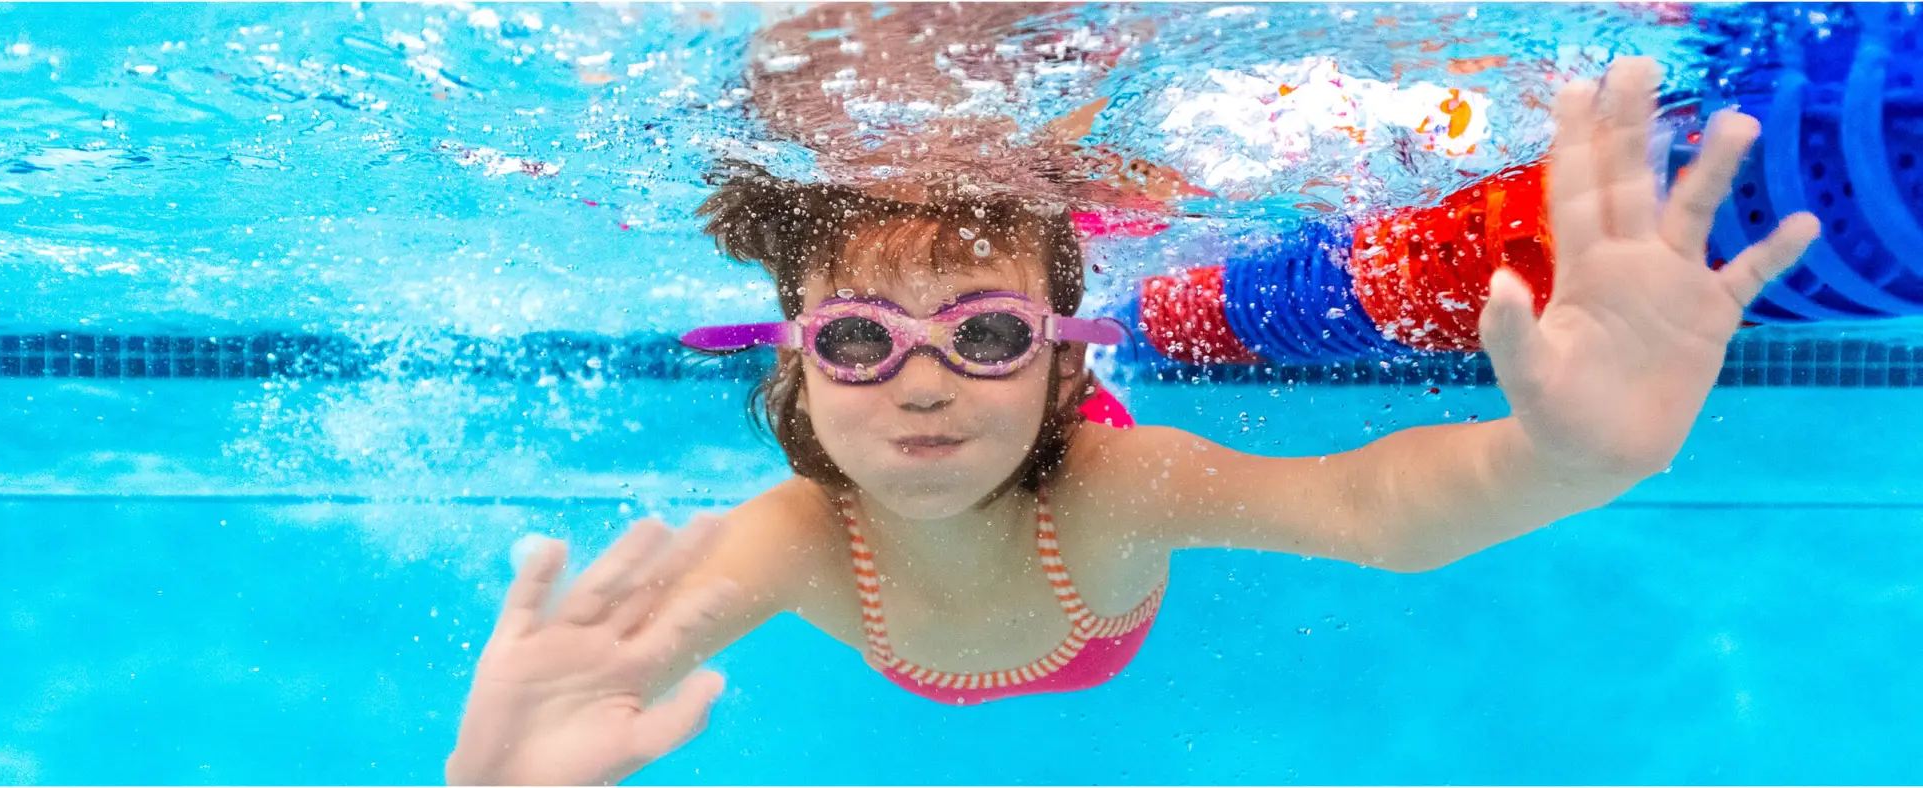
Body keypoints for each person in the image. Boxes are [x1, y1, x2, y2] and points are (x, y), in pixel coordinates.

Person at [444, 56, 1821, 785]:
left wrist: (1570, 455)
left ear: (1056, 364)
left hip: (1083, 576)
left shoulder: (1112, 483)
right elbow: (621, 661)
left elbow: (1373, 512)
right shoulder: (798, 534)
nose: (922, 382)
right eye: (862, 342)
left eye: (983, 334)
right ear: (794, 370)